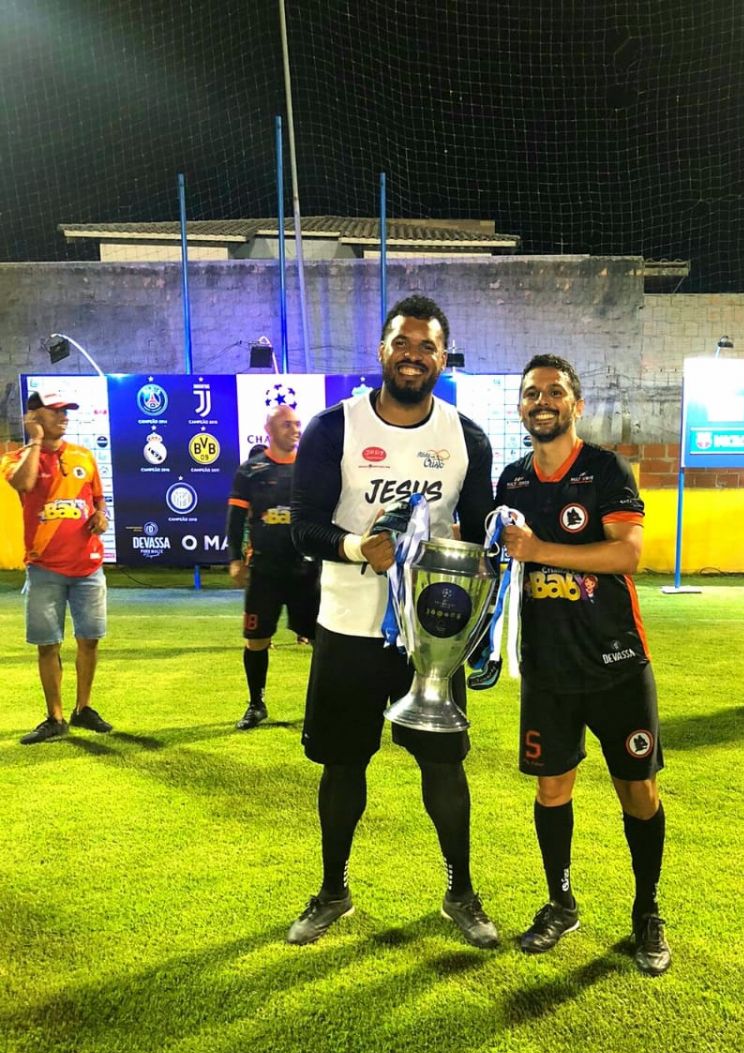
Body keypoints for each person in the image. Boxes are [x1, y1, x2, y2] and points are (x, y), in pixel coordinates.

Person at [288, 294, 499, 949]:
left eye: (426, 347)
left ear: (443, 357)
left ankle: (461, 893)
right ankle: (333, 892)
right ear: (382, 351)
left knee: (444, 768)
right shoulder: (334, 427)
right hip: (348, 627)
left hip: (431, 637)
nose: (413, 356)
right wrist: (360, 547)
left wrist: (468, 549)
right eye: (402, 344)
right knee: (343, 765)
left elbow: (485, 538)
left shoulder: (466, 438)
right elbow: (303, 528)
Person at [496, 354, 670, 975]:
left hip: (616, 661)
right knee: (551, 788)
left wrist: (540, 549)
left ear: (576, 404)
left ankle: (647, 910)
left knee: (638, 791)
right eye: (531, 393)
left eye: (554, 392)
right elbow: (501, 564)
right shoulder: (511, 482)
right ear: (521, 407)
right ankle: (561, 902)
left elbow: (627, 555)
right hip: (547, 669)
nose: (541, 401)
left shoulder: (606, 469)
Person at [1, 391, 111, 744]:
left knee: (89, 640)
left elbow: (98, 499)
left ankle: (83, 708)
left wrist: (101, 516)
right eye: (56, 411)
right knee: (48, 644)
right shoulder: (16, 458)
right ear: (34, 416)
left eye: (67, 411)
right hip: (44, 568)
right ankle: (55, 717)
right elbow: (23, 483)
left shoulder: (83, 455)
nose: (64, 417)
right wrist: (35, 441)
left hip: (88, 567)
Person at [227, 404, 321, 730]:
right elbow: (236, 519)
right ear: (269, 430)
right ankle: (256, 704)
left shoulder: (310, 468)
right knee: (256, 640)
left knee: (321, 640)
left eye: (297, 424)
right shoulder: (251, 471)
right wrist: (235, 559)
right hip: (264, 572)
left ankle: (321, 705)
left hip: (306, 572)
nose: (294, 430)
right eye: (286, 425)